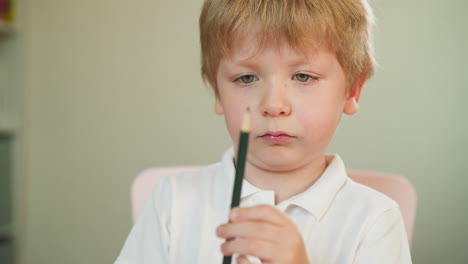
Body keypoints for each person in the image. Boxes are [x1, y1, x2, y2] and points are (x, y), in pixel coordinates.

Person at [115, 0, 412, 263]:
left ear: (352, 90)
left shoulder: (375, 219)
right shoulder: (174, 201)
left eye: (303, 76)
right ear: (217, 92)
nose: (272, 104)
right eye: (246, 78)